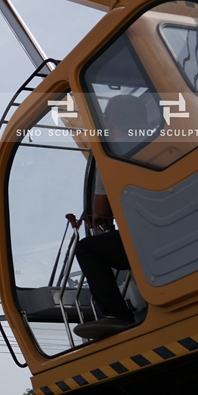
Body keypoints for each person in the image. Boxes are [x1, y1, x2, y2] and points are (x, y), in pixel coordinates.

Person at [73, 94, 148, 340]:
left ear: (108, 120)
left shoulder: (112, 153)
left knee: (87, 248)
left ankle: (118, 315)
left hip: (144, 238)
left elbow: (103, 209)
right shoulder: (164, 142)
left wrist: (97, 215)